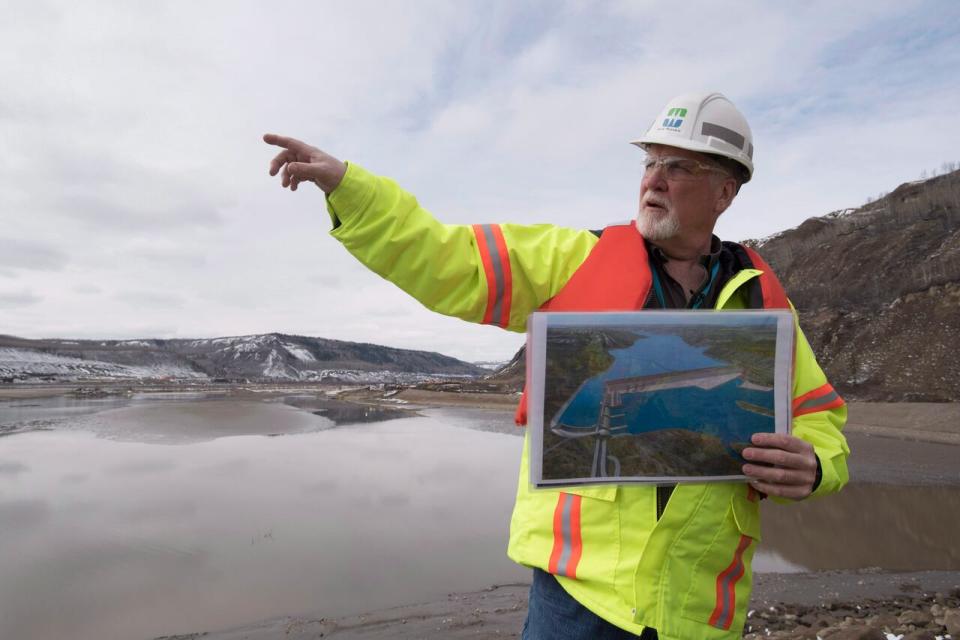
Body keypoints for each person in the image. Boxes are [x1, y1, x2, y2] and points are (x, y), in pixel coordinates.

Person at [263, 91, 849, 640]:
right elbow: (446, 260)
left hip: (702, 608)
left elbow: (819, 418)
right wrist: (350, 188)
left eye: (680, 167)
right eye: (651, 162)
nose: (654, 180)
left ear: (725, 192)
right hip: (577, 600)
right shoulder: (572, 261)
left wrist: (815, 466)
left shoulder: (764, 305)